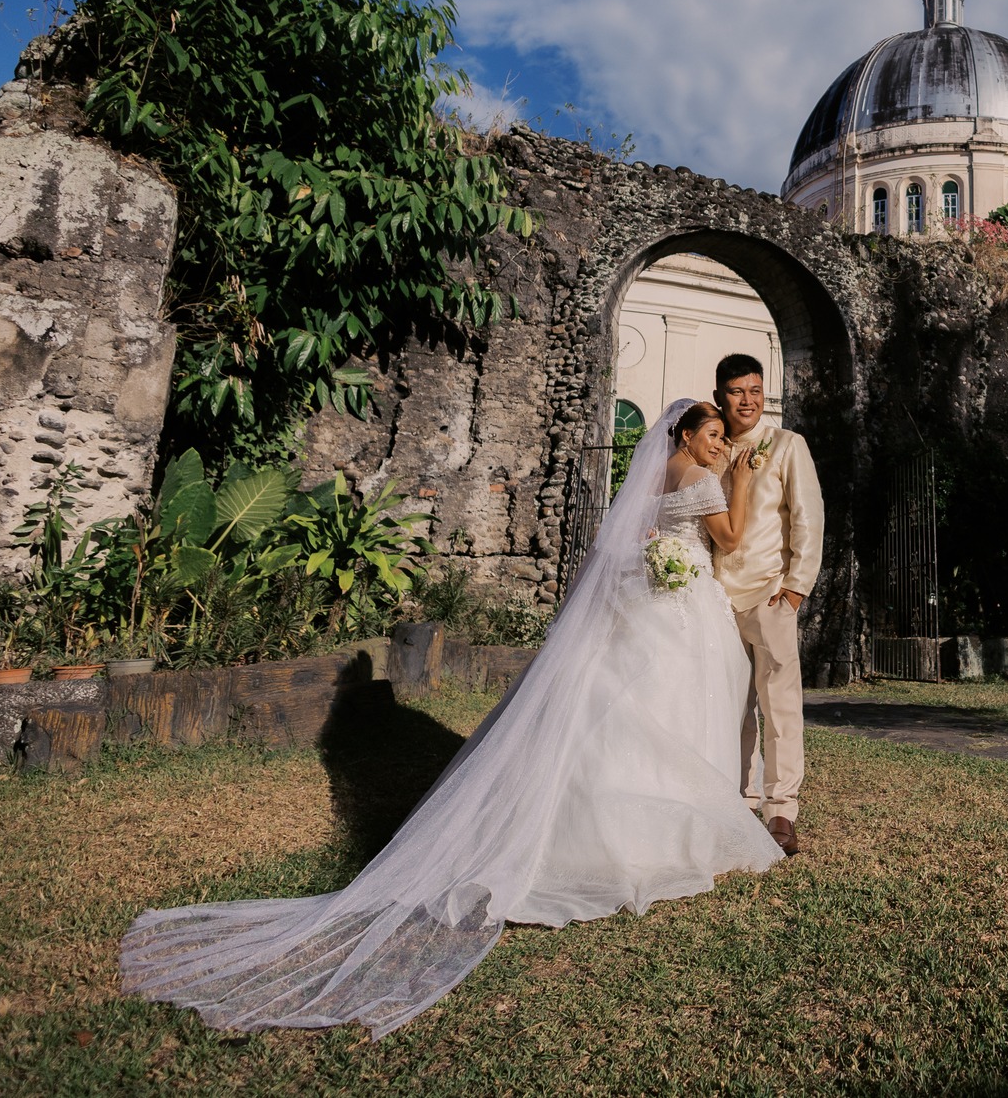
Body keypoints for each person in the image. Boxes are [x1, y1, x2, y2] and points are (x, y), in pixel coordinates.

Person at [119, 399, 782, 1038]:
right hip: (682, 605)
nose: (720, 444)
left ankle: (613, 829)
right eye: (713, 434)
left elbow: (631, 541)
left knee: (629, 710)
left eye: (724, 437)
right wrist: (743, 481)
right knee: (670, 707)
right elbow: (728, 537)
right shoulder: (702, 477)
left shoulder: (656, 477)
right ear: (687, 436)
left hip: (651, 602)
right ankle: (661, 836)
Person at [710, 354, 824, 855]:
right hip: (716, 600)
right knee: (732, 707)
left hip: (770, 594)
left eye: (755, 390)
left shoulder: (786, 445)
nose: (748, 400)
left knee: (780, 707)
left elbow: (808, 518)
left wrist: (796, 587)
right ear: (720, 397)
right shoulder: (710, 448)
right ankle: (738, 803)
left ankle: (781, 811)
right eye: (737, 391)